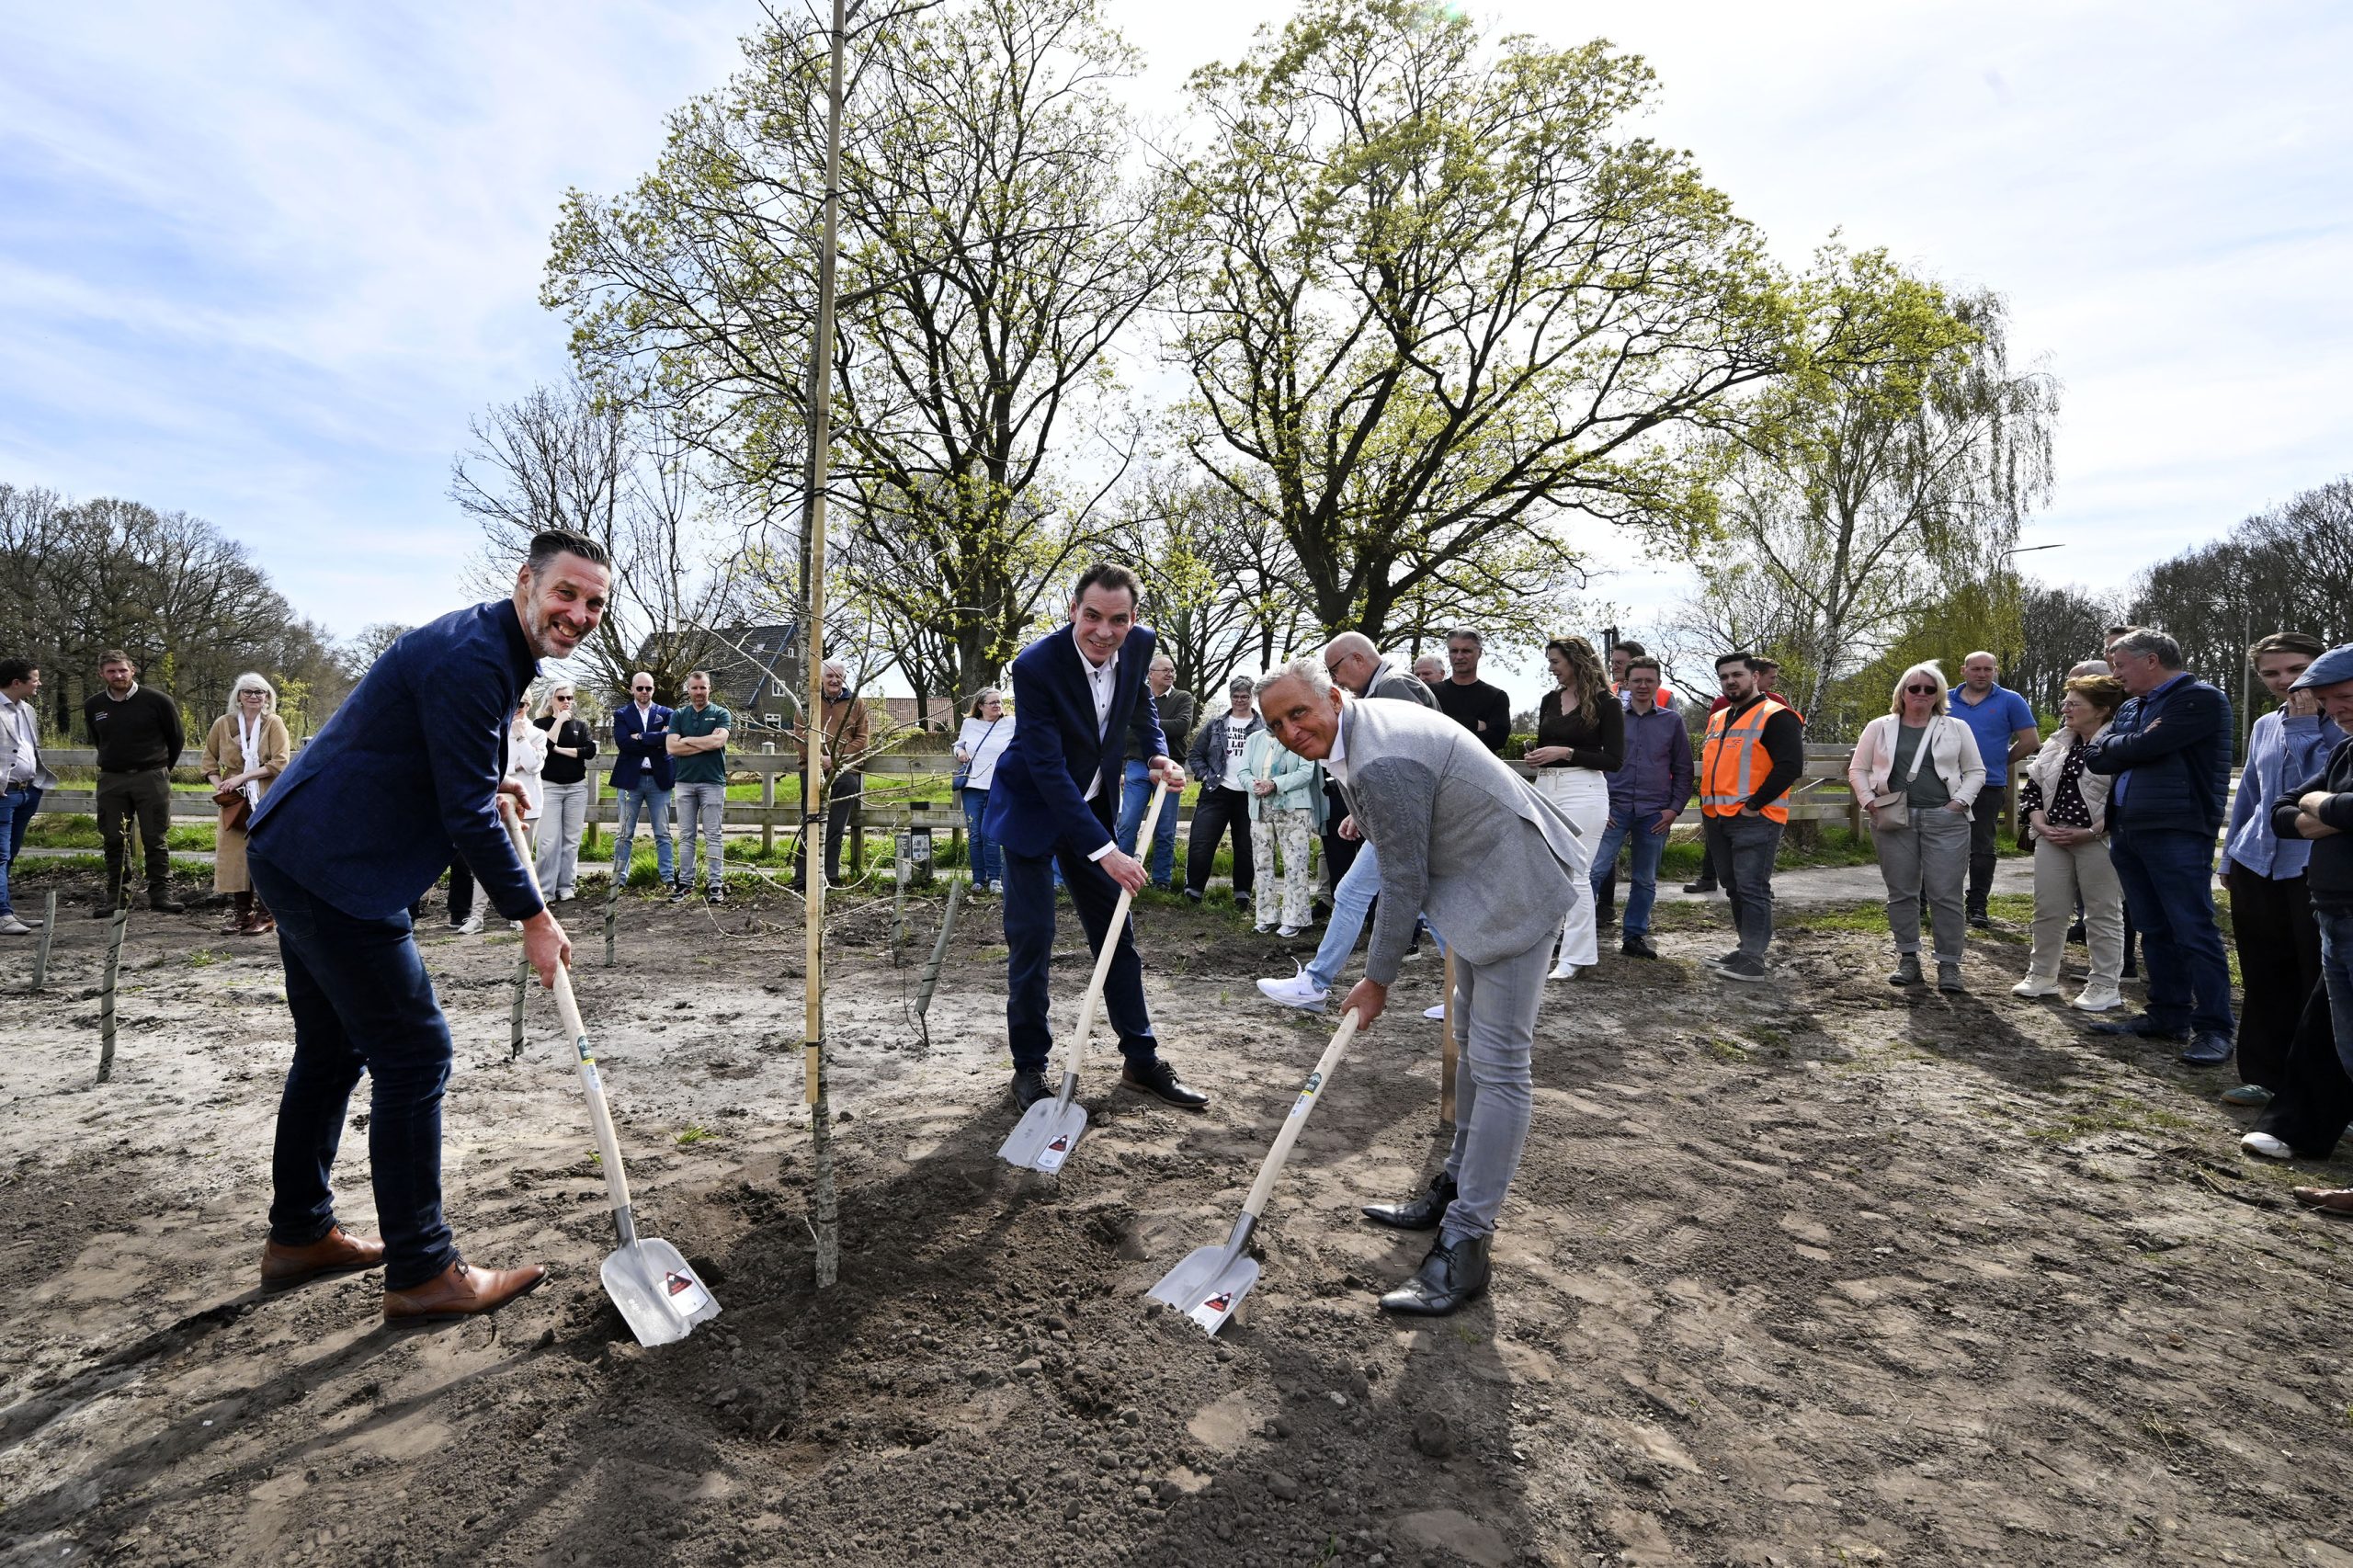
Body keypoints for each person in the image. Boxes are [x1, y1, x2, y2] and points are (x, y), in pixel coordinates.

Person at [244, 528, 606, 1323]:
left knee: (334, 1046)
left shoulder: (489, 647)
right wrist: (534, 917)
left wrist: (491, 790)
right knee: (415, 1052)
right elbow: (465, 814)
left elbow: (448, 773)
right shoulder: (475, 658)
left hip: (306, 852)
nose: (578, 615)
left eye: (594, 605)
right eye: (566, 594)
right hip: (337, 869)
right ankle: (423, 1269)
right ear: (527, 583)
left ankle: (300, 1236)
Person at [1255, 657, 1580, 1315]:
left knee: (1501, 1065)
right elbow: (1401, 819)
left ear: (1336, 698)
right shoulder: (1358, 735)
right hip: (1476, 885)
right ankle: (1454, 1186)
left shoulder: (1382, 758)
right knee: (1466, 1040)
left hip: (1512, 887)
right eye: (1276, 723)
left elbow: (1402, 881)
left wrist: (1375, 982)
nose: (1291, 730)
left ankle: (1467, 1243)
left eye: (1299, 713)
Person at [983, 563, 1205, 1111]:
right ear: (1074, 611)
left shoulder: (1140, 646)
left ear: (1133, 619)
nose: (1105, 631)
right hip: (1035, 808)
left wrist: (1157, 750)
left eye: (1118, 619)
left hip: (1093, 804)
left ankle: (1141, 1059)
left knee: (1116, 936)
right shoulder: (1035, 665)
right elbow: (1047, 767)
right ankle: (1029, 1067)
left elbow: (1142, 707)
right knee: (1032, 939)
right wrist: (1107, 852)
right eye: (1093, 616)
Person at [1257, 634, 1440, 1013]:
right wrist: (1362, 814)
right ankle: (1465, 994)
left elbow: (1402, 759)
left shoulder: (1394, 687)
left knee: (1383, 898)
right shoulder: (1386, 687)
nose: (1336, 680)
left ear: (1356, 659)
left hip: (1411, 818)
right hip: (1404, 816)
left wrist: (1377, 979)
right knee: (1379, 897)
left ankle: (1318, 981)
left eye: (1335, 671)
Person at [2082, 629, 2236, 1064]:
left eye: (2121, 664)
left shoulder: (2200, 699)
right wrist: (2123, 745)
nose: (2115, 673)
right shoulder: (2134, 706)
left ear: (2151, 661)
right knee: (2153, 926)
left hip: (2178, 829)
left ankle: (2214, 1029)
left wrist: (2122, 745)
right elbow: (2098, 756)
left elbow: (2147, 745)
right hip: (2129, 828)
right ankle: (2167, 1015)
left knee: (2193, 929)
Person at [2244, 644, 2353, 1180]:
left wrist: (2326, 807)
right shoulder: (2345, 753)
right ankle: (2298, 1127)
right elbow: (2282, 810)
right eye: (2330, 701)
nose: (2339, 710)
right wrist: (2326, 809)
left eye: (2348, 697)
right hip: (2335, 908)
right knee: (2329, 1028)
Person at [2218, 633, 2338, 1105]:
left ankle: (2322, 1092)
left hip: (2311, 864)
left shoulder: (2341, 723)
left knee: (2317, 979)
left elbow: (2324, 790)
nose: (2285, 681)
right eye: (2271, 673)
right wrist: (2230, 855)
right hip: (2256, 861)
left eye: (2296, 669)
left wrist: (2307, 727)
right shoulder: (2266, 723)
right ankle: (2265, 1076)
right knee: (2264, 973)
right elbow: (2251, 792)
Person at [1847, 661, 1986, 993]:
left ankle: (1949, 964)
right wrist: (1869, 802)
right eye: (1914, 688)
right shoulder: (1880, 727)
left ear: (1939, 693)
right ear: (1902, 693)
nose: (1921, 694)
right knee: (1902, 892)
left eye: (1929, 688)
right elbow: (1858, 768)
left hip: (1946, 819)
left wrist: (1959, 803)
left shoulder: (1956, 727)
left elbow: (1976, 771)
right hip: (1894, 818)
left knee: (1946, 894)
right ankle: (1908, 958)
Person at [2013, 673, 2128, 1010]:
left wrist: (2092, 831)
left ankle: (2105, 986)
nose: (2065, 708)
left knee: (2101, 912)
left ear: (2102, 709)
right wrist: (2041, 826)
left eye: (2074, 703)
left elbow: (2126, 800)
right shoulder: (2057, 742)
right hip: (2052, 837)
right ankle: (2042, 975)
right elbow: (2032, 791)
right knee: (2048, 909)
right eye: (2066, 702)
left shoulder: (2119, 745)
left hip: (2098, 840)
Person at [1699, 653, 1802, 982]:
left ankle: (1754, 959)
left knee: (1753, 887)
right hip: (1717, 816)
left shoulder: (1776, 716)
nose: (1731, 681)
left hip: (1754, 817)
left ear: (1754, 676)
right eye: (1724, 676)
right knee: (1733, 887)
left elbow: (1790, 767)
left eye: (1737, 674)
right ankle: (1746, 949)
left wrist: (1755, 805)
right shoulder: (1718, 718)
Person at [1527, 635, 1618, 980]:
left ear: (1576, 660)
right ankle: (1545, 946)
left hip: (1585, 788)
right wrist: (1539, 756)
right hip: (1546, 787)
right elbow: (1546, 745)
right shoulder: (1549, 699)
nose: (1551, 668)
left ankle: (1576, 956)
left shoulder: (1605, 702)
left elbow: (1614, 759)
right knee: (1545, 872)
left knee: (1576, 876)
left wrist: (1566, 753)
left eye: (1555, 662)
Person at [1593, 657, 1690, 960]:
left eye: (1650, 680)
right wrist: (1599, 805)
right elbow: (1593, 764)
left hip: (1654, 812)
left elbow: (1684, 768)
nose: (1643, 686)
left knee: (1645, 879)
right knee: (1593, 872)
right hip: (1613, 809)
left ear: (1658, 684)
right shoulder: (1609, 718)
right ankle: (1571, 932)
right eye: (1638, 680)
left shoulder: (1672, 721)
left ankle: (1634, 935)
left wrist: (1673, 809)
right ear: (1625, 683)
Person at [83, 649, 186, 915]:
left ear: (133, 670)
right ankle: (117, 898)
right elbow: (99, 739)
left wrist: (160, 768)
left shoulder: (158, 701)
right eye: (111, 671)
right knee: (114, 839)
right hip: (112, 779)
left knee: (155, 837)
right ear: (102, 674)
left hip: (151, 776)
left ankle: (161, 895)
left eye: (122, 670)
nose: (118, 675)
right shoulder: (94, 705)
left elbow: (176, 739)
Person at [1949, 652, 2041, 927]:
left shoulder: (2010, 700)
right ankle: (1923, 900)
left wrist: (2001, 761)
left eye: (1988, 669)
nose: (1982, 674)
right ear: (1963, 670)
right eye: (1976, 669)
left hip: (1988, 784)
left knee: (1982, 846)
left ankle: (1977, 906)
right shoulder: (1944, 699)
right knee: (1932, 842)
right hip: (1943, 782)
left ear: (1995, 671)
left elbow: (2030, 740)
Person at [199, 673, 292, 937]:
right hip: (234, 800)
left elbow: (280, 762)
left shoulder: (273, 723)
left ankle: (267, 914)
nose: (254, 697)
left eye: (260, 692)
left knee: (264, 854)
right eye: (248, 692)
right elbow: (208, 763)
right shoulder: (222, 724)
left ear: (268, 697)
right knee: (235, 856)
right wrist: (222, 786)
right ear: (238, 696)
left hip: (265, 794)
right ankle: (242, 914)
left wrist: (243, 776)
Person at [1239, 716, 1323, 936]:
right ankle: (1266, 917)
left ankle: (1295, 918)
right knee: (1262, 862)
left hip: (1293, 808)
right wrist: (1254, 785)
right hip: (1259, 807)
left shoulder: (1299, 737)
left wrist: (1275, 784)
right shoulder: (1254, 739)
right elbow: (1243, 771)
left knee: (1295, 862)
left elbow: (1306, 772)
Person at [1183, 676, 1261, 908]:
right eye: (1236, 696)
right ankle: (1193, 891)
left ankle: (1242, 895)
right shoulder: (1216, 724)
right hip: (1216, 790)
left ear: (1252, 697)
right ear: (1230, 697)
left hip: (1249, 794)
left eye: (1245, 696)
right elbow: (1195, 754)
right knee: (1201, 841)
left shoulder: (1263, 727)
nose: (1240, 701)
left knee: (1246, 846)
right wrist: (1205, 775)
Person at [1117, 655, 1193, 890]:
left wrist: (1146, 726)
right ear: (1151, 673)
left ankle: (1161, 881)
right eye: (1165, 670)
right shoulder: (1136, 698)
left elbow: (1182, 726)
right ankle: (1123, 877)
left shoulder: (1183, 698)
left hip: (1171, 767)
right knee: (1128, 824)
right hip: (1137, 765)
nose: (1170, 674)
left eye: (1172, 671)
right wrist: (1155, 727)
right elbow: (1123, 732)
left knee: (1165, 827)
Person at [798, 661, 872, 888]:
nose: (834, 680)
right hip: (812, 769)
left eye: (839, 676)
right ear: (821, 678)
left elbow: (862, 739)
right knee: (810, 822)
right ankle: (802, 878)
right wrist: (819, 760)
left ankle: (828, 876)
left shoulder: (855, 704)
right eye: (830, 676)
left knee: (835, 826)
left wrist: (835, 760)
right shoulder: (809, 702)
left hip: (844, 771)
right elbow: (800, 736)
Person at [0, 660, 56, 937]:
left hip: (27, 791)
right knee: (0, 854)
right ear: (16, 683)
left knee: (9, 854)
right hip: (4, 792)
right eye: (35, 679)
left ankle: (5, 908)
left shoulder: (28, 710)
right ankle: (3, 914)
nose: (39, 683)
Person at [667, 670, 731, 903]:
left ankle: (716, 884)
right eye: (694, 688)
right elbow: (672, 748)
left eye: (703, 687)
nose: (699, 692)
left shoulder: (721, 713)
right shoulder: (678, 715)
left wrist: (686, 740)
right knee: (686, 836)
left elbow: (718, 741)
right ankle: (685, 883)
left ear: (709, 688)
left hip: (712, 782)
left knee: (713, 834)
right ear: (688, 690)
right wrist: (705, 743)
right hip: (684, 782)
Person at [609, 672, 675, 892]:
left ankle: (668, 878)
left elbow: (669, 740)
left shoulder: (667, 713)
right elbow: (623, 743)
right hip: (630, 780)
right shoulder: (621, 714)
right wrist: (656, 738)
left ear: (654, 690)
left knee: (663, 832)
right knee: (624, 833)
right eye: (640, 688)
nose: (644, 692)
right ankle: (619, 879)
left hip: (659, 780)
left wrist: (641, 737)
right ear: (632, 689)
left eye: (648, 688)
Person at [532, 681, 597, 902]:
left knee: (571, 840)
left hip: (576, 788)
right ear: (551, 700)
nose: (567, 702)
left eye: (569, 698)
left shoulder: (580, 724)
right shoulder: (540, 724)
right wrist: (558, 722)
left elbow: (589, 751)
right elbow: (544, 749)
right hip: (550, 788)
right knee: (548, 841)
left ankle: (566, 886)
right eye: (561, 698)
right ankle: (545, 890)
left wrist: (561, 750)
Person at [955, 687, 1015, 892]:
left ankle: (995, 879)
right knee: (975, 834)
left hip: (999, 786)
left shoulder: (1011, 723)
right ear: (980, 706)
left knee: (992, 833)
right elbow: (958, 745)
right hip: (972, 786)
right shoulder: (969, 724)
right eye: (993, 702)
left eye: (999, 701)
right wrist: (960, 752)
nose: (998, 705)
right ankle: (978, 879)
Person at [1433, 628, 1512, 755]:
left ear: (1479, 653)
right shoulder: (1432, 693)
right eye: (1454, 651)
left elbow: (1497, 740)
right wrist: (1473, 723)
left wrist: (1443, 727)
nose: (1459, 656)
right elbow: (1426, 730)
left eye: (1466, 651)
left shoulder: (1496, 696)